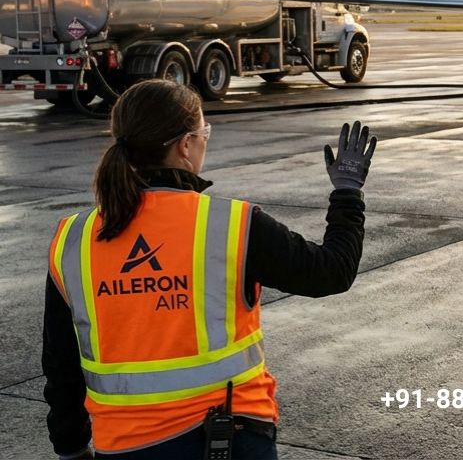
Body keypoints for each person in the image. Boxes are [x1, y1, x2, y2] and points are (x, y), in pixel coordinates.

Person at [43, 80, 378, 459]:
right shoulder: (232, 225)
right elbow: (331, 272)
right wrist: (348, 193)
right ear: (186, 145)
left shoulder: (73, 238)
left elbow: (61, 362)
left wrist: (70, 447)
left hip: (122, 445)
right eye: (205, 133)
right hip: (225, 439)